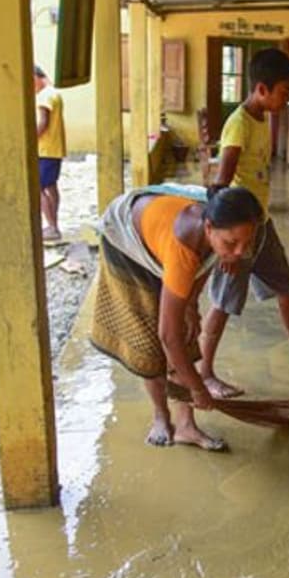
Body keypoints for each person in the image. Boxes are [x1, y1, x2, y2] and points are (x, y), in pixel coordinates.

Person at [199, 47, 289, 399]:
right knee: (223, 302)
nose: (288, 98)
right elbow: (220, 186)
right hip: (240, 232)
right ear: (262, 89)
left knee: (286, 289)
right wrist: (226, 245)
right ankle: (204, 373)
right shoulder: (238, 125)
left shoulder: (262, 118)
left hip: (261, 224)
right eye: (285, 90)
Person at [90, 185, 262, 451]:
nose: (240, 251)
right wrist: (197, 388)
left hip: (163, 242)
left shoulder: (220, 230)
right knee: (150, 341)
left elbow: (204, 263)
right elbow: (167, 336)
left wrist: (191, 305)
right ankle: (161, 416)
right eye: (231, 243)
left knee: (186, 330)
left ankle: (186, 426)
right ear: (208, 228)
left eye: (246, 243)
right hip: (126, 242)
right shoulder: (183, 249)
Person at [34, 65, 66, 243]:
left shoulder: (43, 96)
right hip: (54, 149)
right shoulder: (54, 93)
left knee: (37, 189)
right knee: (51, 187)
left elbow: (42, 122)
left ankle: (52, 227)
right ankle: (54, 224)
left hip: (44, 150)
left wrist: (29, 141)